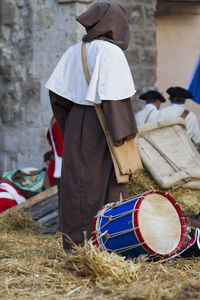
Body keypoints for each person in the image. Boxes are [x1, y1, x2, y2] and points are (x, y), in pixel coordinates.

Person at [45, 2, 138, 250]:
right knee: (108, 184)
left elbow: (57, 96)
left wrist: (71, 127)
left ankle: (76, 245)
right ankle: (107, 244)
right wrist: (124, 136)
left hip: (76, 121)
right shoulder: (111, 53)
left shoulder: (75, 51)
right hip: (105, 124)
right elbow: (115, 99)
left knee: (77, 183)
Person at [46, 116, 64, 187]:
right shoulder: (65, 120)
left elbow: (49, 138)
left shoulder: (53, 119)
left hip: (54, 165)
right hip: (64, 168)